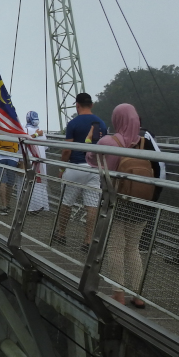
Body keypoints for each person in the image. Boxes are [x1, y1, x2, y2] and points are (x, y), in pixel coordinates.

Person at [89, 104, 147, 308]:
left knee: (115, 247)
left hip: (114, 199)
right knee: (133, 247)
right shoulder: (145, 143)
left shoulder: (107, 141)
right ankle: (138, 295)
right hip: (140, 202)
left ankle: (118, 293)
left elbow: (91, 159)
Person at [55, 93, 107, 249]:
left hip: (76, 166)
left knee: (66, 202)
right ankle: (88, 240)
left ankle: (61, 234)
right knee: (92, 205)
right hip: (95, 168)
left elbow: (67, 150)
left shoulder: (73, 123)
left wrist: (62, 168)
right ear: (91, 105)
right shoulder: (102, 124)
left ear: (77, 105)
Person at [0, 124, 20, 216]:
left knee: (2, 182)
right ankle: (8, 204)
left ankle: (4, 206)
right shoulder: (16, 128)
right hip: (13, 158)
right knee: (10, 183)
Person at [24, 111, 50, 213]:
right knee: (42, 182)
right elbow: (46, 146)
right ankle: (43, 204)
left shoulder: (26, 130)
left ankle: (33, 206)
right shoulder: (41, 132)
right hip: (42, 159)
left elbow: (24, 140)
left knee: (32, 181)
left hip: (31, 158)